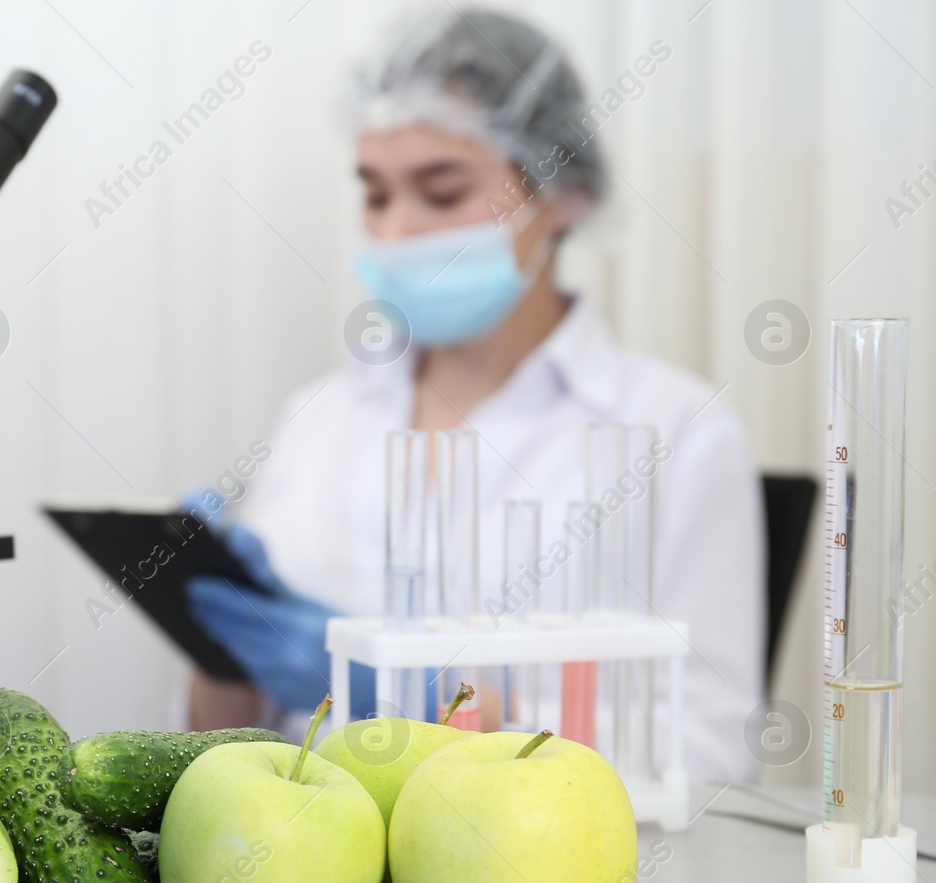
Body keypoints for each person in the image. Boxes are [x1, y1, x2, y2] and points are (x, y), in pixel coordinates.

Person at [185, 6, 761, 783]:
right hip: (313, 851)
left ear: (564, 196)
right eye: (376, 194)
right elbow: (214, 745)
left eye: (442, 191)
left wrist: (440, 706)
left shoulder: (677, 432)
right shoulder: (318, 417)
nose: (396, 231)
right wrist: (218, 640)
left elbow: (712, 749)